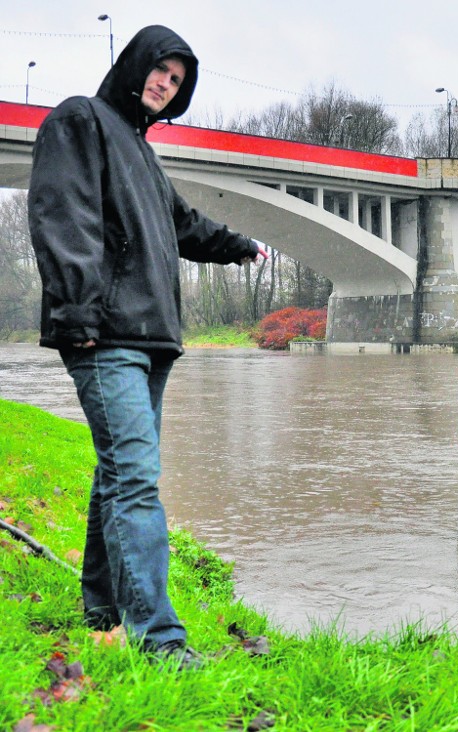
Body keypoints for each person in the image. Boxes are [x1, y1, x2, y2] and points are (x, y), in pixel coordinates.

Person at [28, 25, 267, 669]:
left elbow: (183, 225)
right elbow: (61, 213)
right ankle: (160, 641)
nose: (167, 84)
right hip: (104, 334)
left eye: (179, 80)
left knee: (116, 475)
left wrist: (238, 245)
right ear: (136, 65)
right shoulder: (81, 120)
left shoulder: (142, 153)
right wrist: (77, 310)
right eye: (161, 70)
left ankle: (103, 612)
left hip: (151, 338)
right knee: (136, 478)